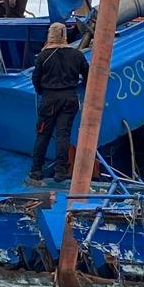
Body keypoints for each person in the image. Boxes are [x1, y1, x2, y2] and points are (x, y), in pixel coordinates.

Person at [29, 22, 89, 183]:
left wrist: (42, 91)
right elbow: (87, 74)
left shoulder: (43, 56)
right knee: (63, 134)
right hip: (69, 98)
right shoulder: (77, 55)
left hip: (49, 99)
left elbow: (36, 79)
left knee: (43, 134)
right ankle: (60, 171)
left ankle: (36, 170)